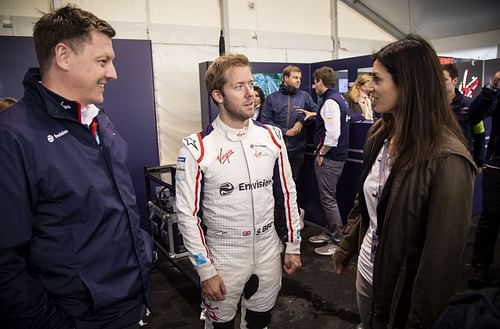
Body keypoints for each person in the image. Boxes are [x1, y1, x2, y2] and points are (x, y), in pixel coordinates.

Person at [0, 5, 152, 329]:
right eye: (103, 61)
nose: (113, 73)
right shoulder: (12, 138)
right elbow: (5, 265)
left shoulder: (98, 121)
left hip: (133, 303)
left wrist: (144, 252)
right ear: (63, 56)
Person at [332, 35, 476, 328]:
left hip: (403, 294)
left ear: (408, 84)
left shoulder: (448, 160)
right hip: (368, 274)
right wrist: (348, 245)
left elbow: (440, 264)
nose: (368, 87)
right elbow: (366, 202)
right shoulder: (380, 134)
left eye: (377, 78)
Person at [175, 53, 302, 329]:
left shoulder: (272, 136)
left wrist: (293, 244)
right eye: (239, 86)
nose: (251, 94)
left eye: (251, 84)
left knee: (259, 321)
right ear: (218, 95)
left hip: (269, 248)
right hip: (223, 254)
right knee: (219, 325)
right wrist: (205, 269)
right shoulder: (197, 147)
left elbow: (287, 192)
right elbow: (186, 214)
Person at [306, 66, 349, 256]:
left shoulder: (330, 102)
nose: (314, 86)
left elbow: (333, 134)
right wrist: (315, 115)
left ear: (321, 82)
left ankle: (338, 241)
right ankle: (330, 231)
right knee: (328, 198)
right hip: (336, 157)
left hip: (330, 158)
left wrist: (322, 153)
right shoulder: (338, 99)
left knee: (328, 199)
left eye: (315, 82)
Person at [468, 70, 500, 289]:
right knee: (490, 217)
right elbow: (475, 114)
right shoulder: (496, 94)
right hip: (497, 165)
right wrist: (493, 87)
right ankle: (480, 265)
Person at [261, 65, 318, 183]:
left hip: (297, 149)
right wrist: (285, 132)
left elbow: (316, 114)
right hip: (276, 149)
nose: (298, 81)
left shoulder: (305, 97)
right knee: (276, 182)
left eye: (300, 78)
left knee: (292, 182)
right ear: (286, 78)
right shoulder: (271, 99)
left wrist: (301, 122)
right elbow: (265, 122)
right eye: (295, 77)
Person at [442, 63, 485, 167]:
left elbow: (479, 133)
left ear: (454, 81)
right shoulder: (432, 106)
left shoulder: (469, 105)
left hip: (463, 160)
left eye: (444, 80)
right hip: (438, 161)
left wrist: (479, 162)